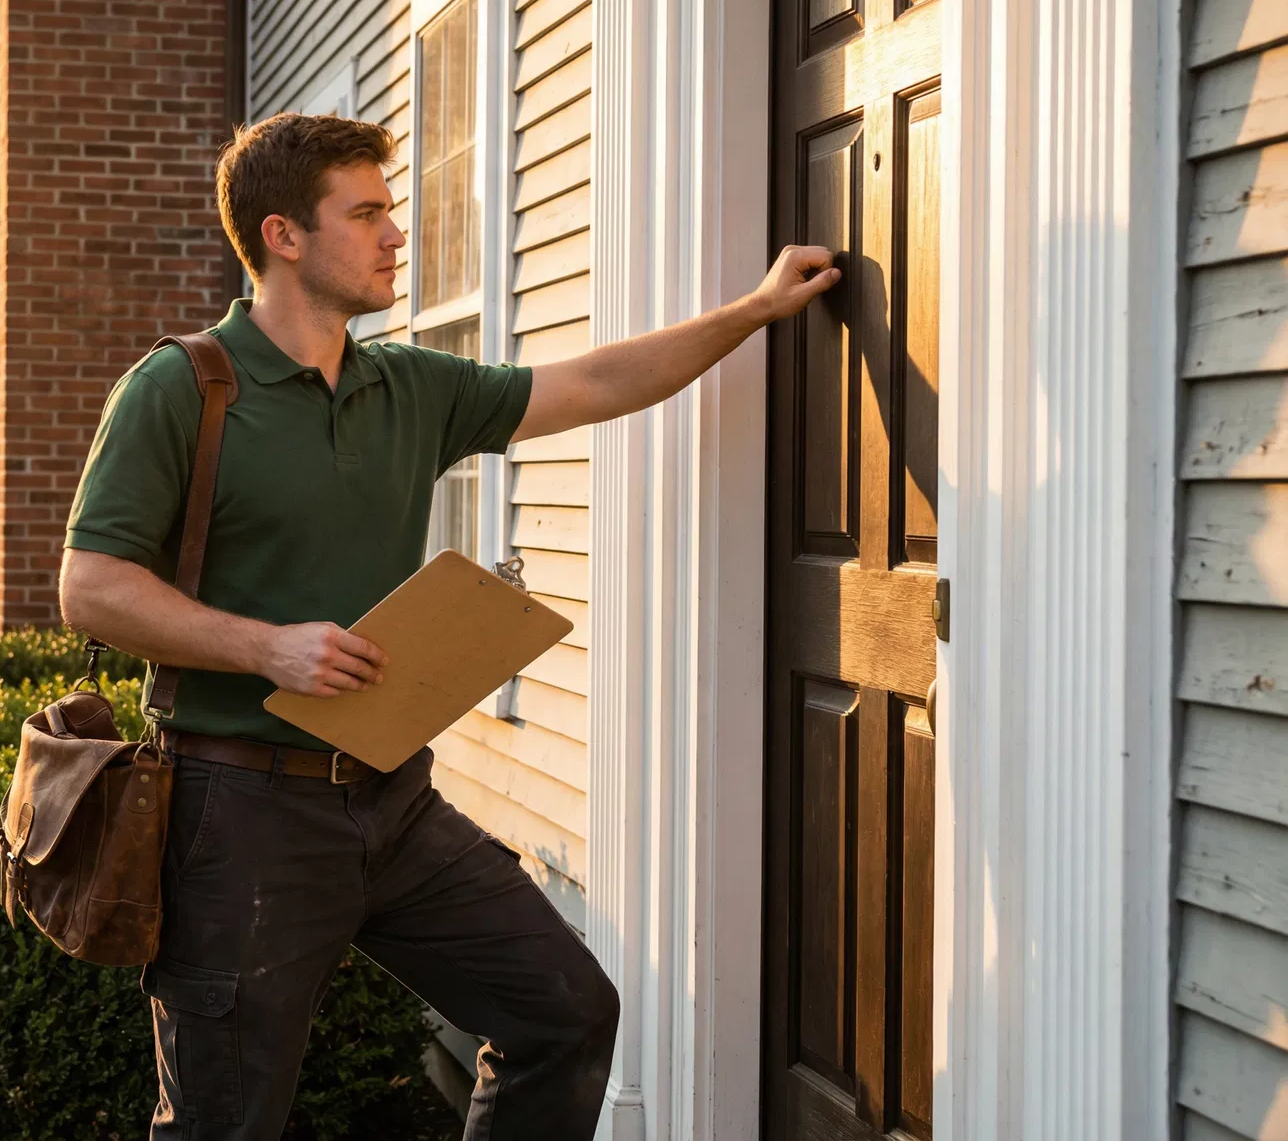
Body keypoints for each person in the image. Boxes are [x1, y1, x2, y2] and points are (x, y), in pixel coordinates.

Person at [58, 113, 839, 1139]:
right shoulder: (183, 389)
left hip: (393, 804)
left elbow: (597, 383)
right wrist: (269, 645)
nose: (396, 234)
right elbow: (92, 586)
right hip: (236, 813)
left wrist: (757, 309)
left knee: (562, 1011)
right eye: (369, 211)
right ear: (284, 235)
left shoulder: (408, 386)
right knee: (222, 1123)